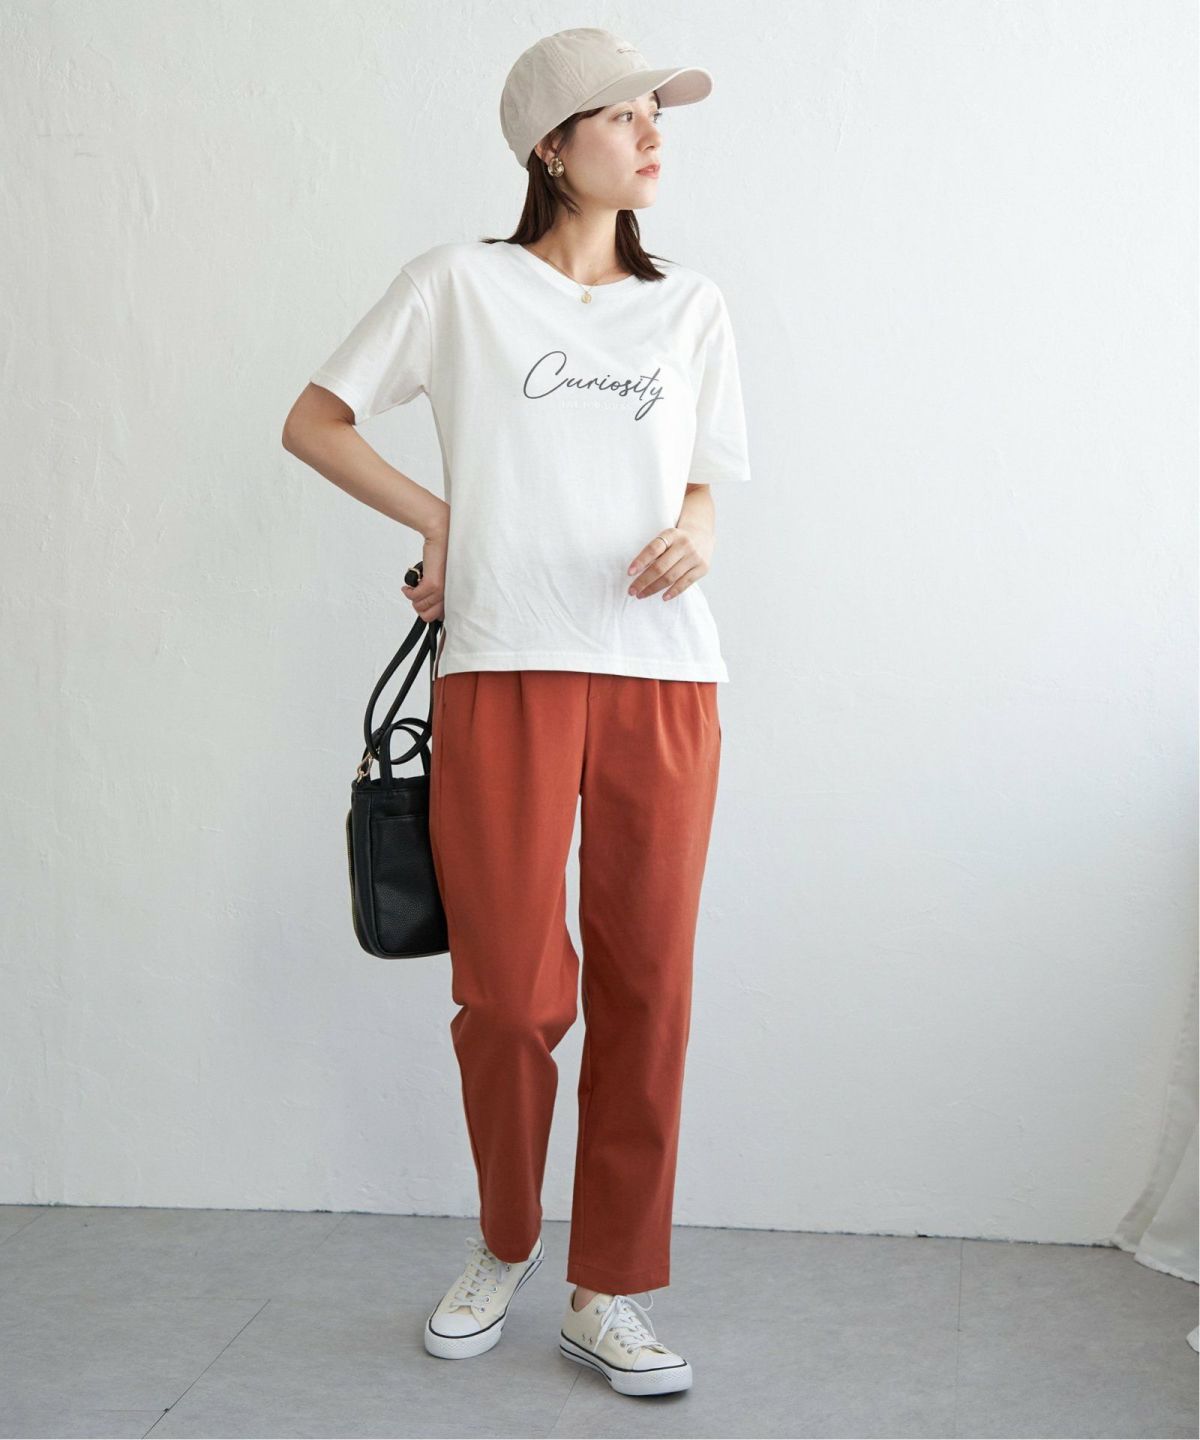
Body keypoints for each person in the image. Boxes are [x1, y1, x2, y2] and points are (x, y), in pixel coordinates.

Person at [282, 26, 751, 1400]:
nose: (653, 134)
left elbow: (705, 479)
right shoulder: (459, 286)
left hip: (664, 674)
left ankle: (609, 1288)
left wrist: (700, 534)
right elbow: (315, 421)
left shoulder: (693, 307)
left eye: (658, 114)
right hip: (502, 666)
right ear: (551, 146)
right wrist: (447, 522)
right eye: (622, 114)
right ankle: (504, 1237)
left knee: (649, 987)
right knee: (506, 995)